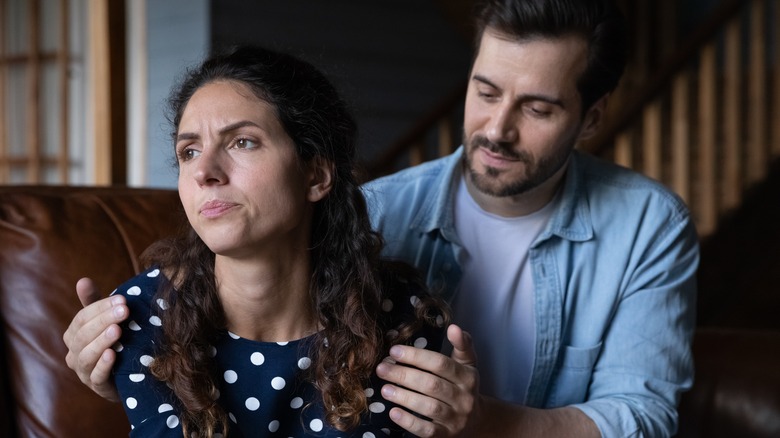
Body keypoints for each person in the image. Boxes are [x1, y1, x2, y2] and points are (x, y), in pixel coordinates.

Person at [65, 0, 699, 436]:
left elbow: (644, 415)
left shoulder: (649, 227)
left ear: (591, 118)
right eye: (484, 92)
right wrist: (130, 372)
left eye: (538, 108)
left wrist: (483, 423)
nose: (498, 128)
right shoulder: (376, 211)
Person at [70, 45, 449, 437]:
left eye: (242, 142)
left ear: (316, 176)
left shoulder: (400, 318)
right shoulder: (149, 317)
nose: (204, 172)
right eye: (189, 151)